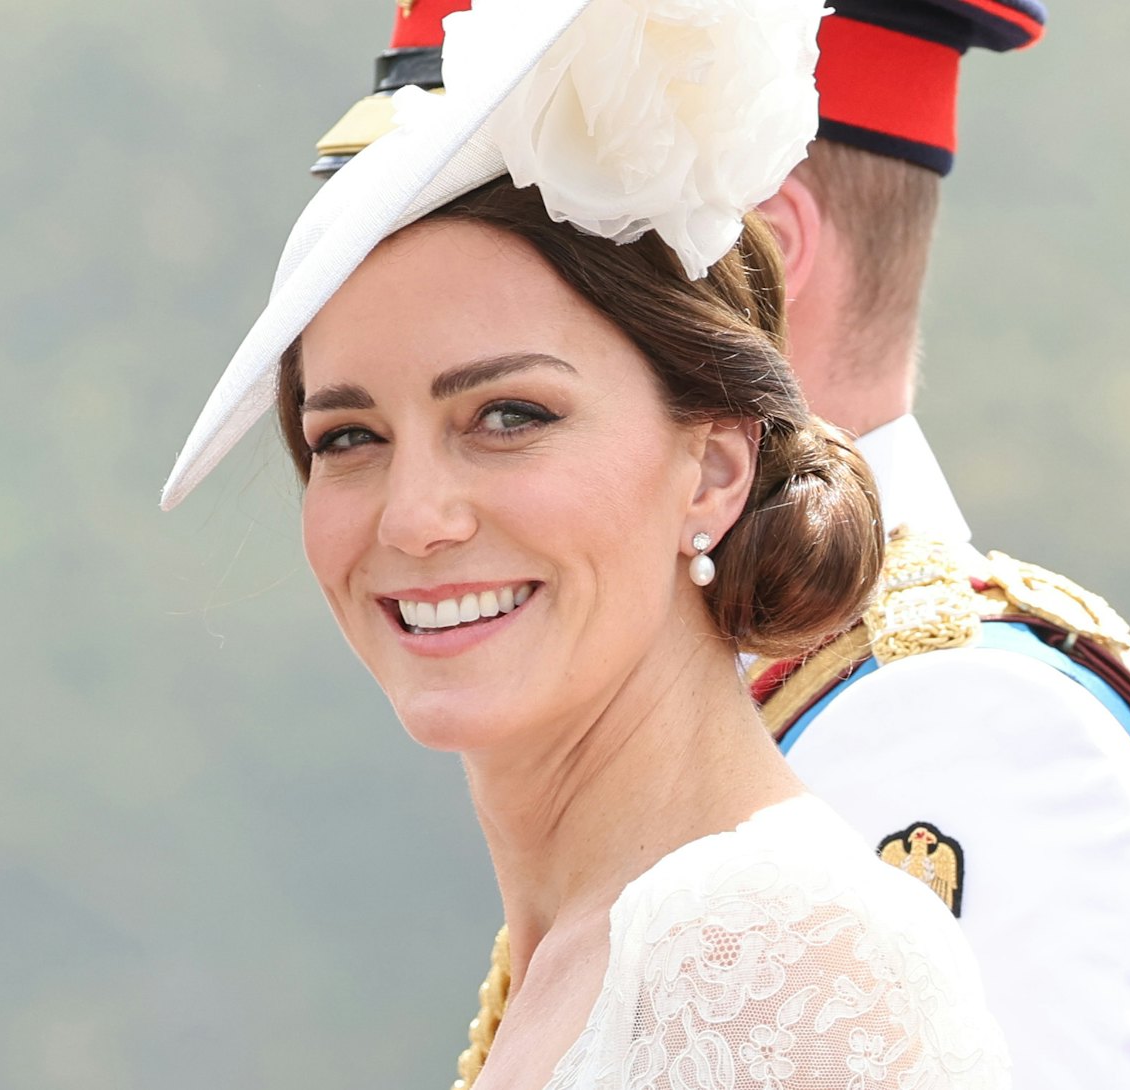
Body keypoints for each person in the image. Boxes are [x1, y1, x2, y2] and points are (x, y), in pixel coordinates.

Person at [309, 3, 1130, 1090]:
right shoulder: (658, 717)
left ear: (756, 259)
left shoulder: (950, 722)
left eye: (508, 409)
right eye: (349, 435)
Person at [161, 1, 1014, 1085]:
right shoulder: (586, 952)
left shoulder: (774, 963)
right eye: (348, 436)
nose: (414, 516)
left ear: (711, 466)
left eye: (508, 416)